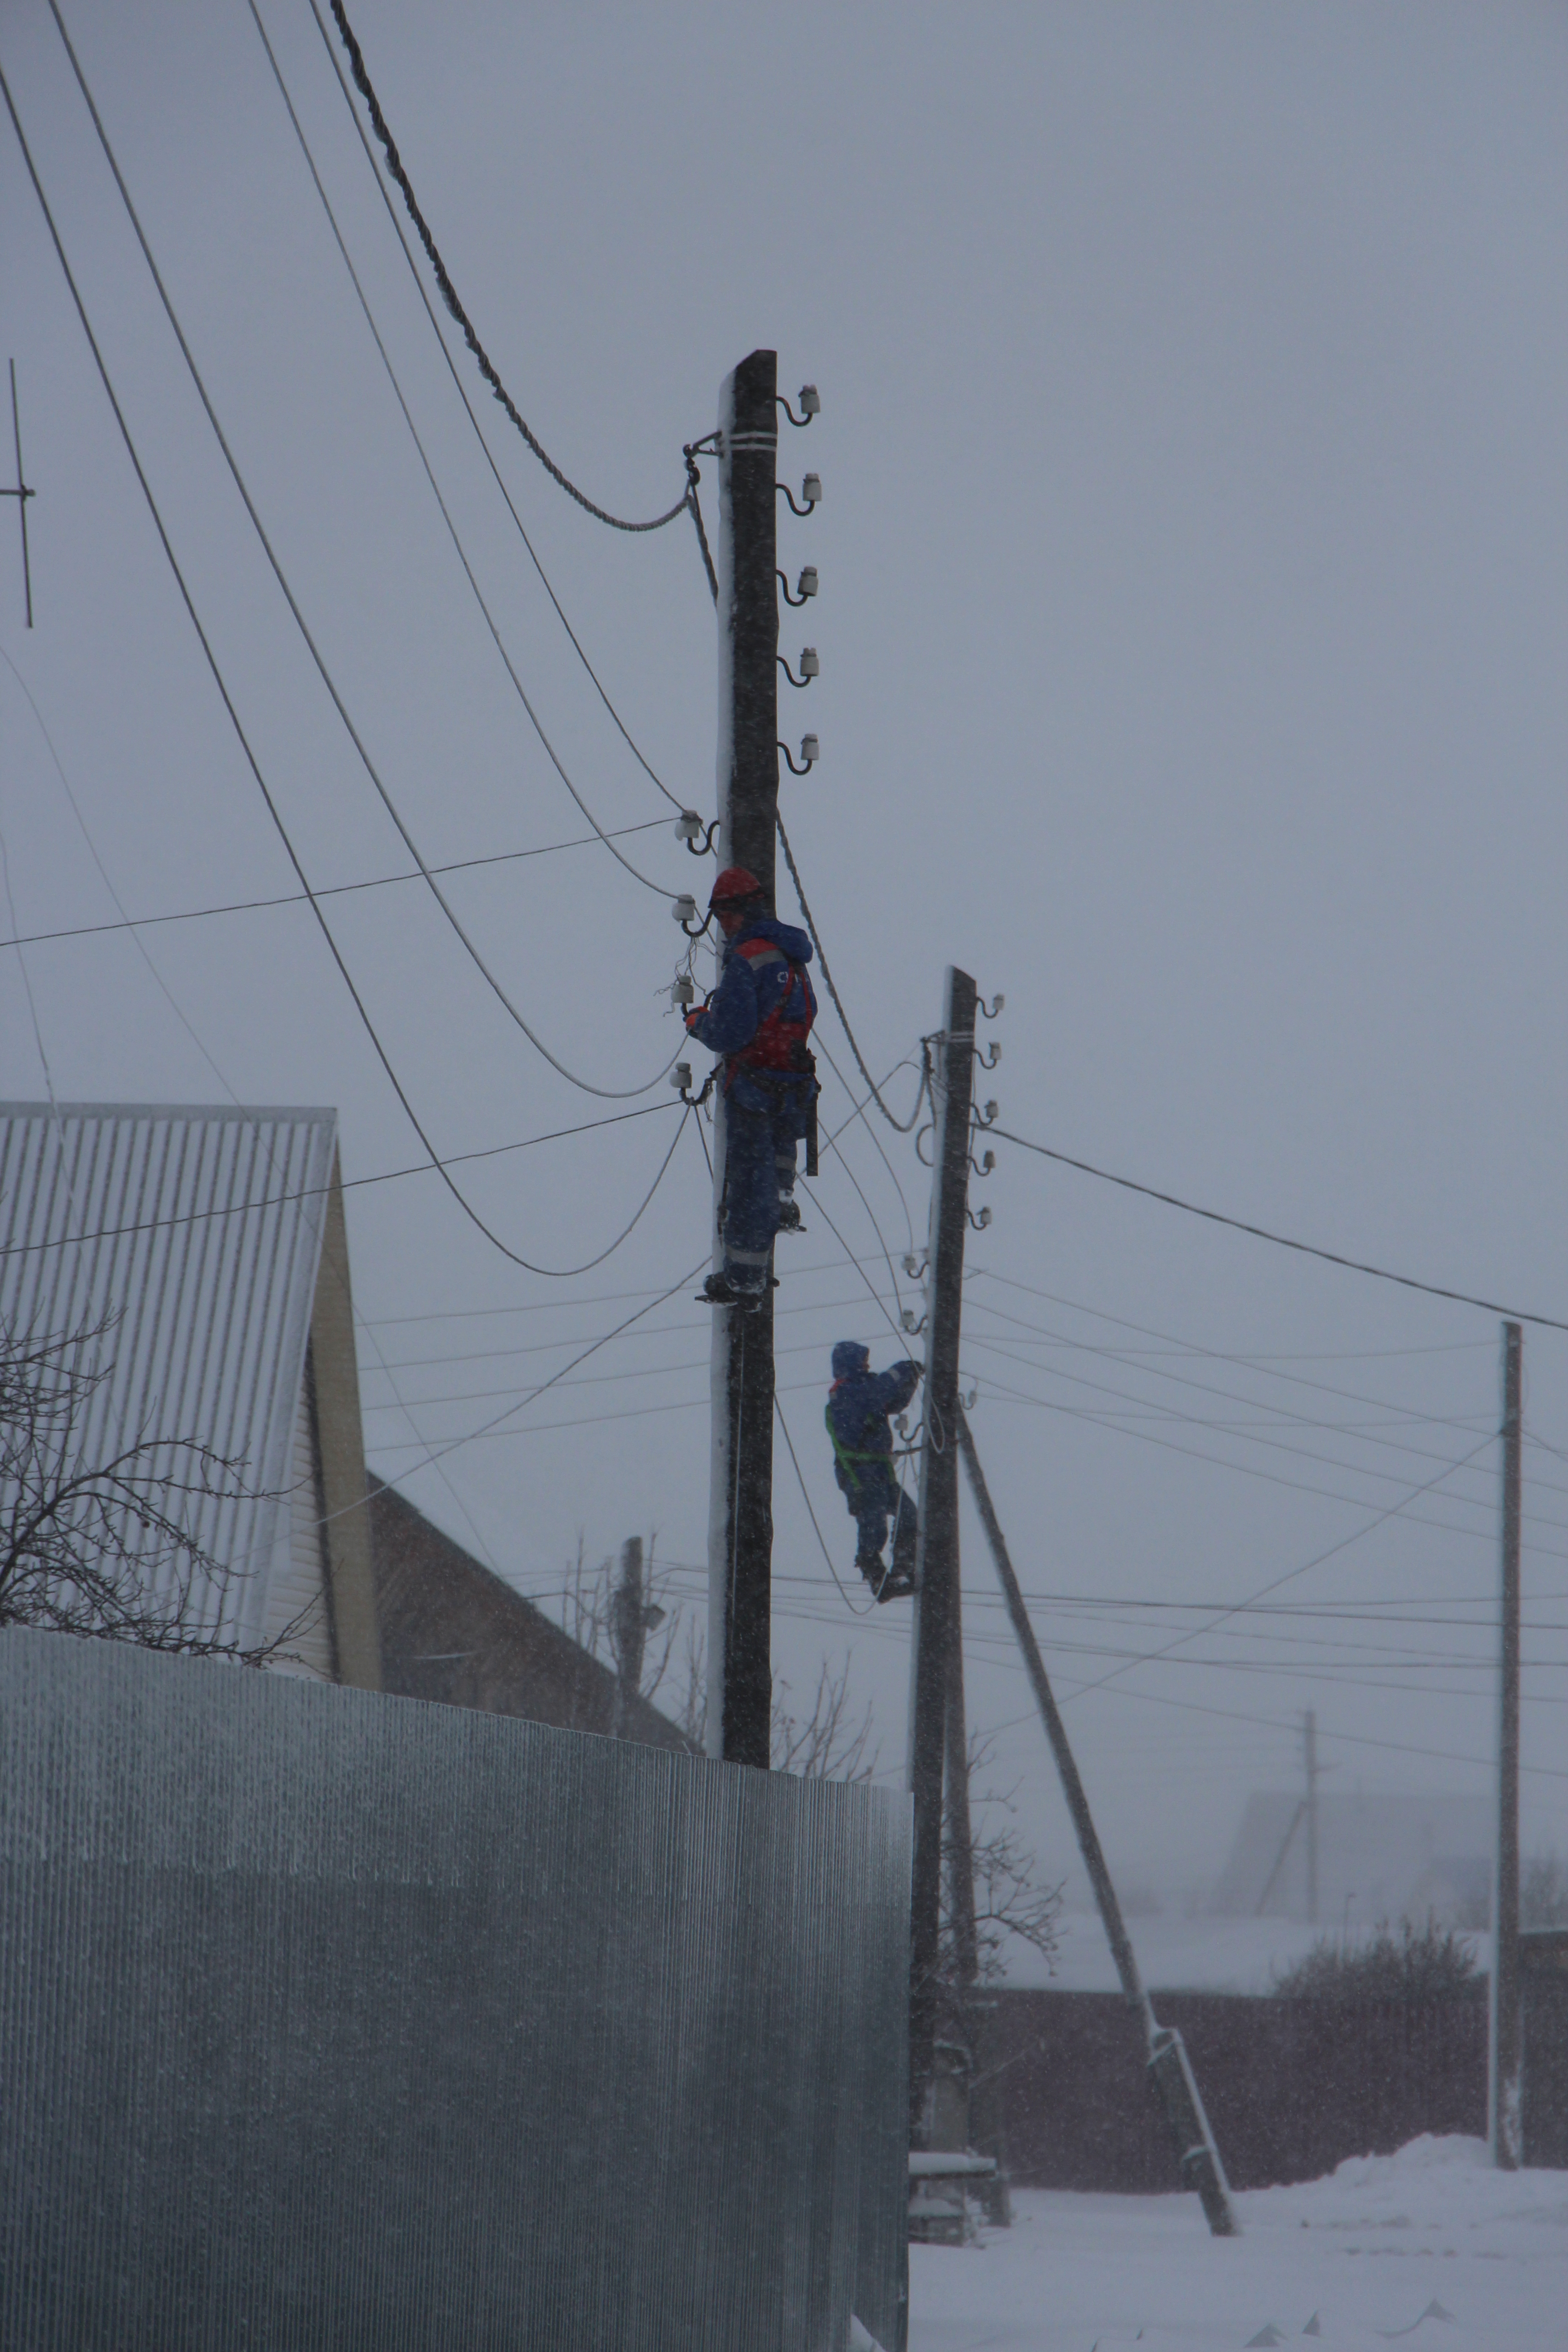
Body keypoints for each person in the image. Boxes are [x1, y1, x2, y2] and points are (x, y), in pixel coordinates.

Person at [685, 867, 819, 1308]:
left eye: (725, 914)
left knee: (746, 1188)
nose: (722, 925)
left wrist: (699, 1022)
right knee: (773, 1178)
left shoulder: (748, 957)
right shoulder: (791, 955)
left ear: (744, 909)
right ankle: (784, 1199)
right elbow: (807, 1011)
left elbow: (731, 1032)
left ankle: (743, 1279)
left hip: (756, 1090)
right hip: (792, 1087)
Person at [825, 1341, 923, 1598]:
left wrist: (910, 1379)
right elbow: (878, 1393)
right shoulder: (846, 1393)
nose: (868, 1366)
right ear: (851, 1365)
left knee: (910, 1514)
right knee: (873, 1523)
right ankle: (877, 1577)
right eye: (863, 1362)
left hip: (877, 1470)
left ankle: (903, 1568)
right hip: (859, 1472)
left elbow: (894, 1402)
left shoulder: (864, 1390)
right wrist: (902, 1370)